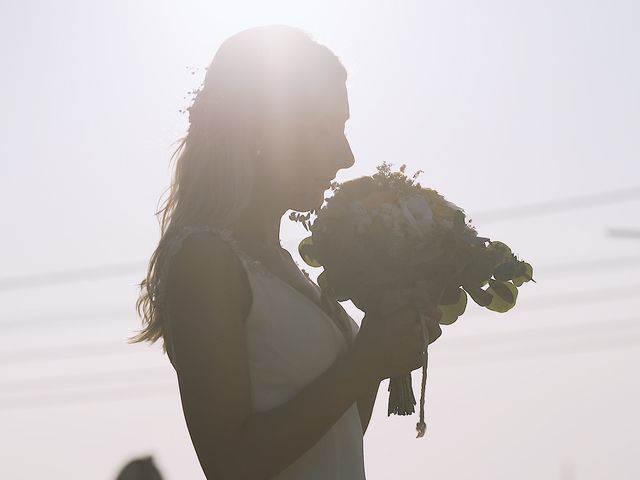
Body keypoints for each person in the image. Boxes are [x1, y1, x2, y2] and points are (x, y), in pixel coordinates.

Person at [129, 25, 443, 480]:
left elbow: (339, 435)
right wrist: (366, 361)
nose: (346, 155)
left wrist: (385, 325)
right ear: (262, 129)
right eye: (325, 129)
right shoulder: (205, 260)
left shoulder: (283, 265)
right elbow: (230, 463)